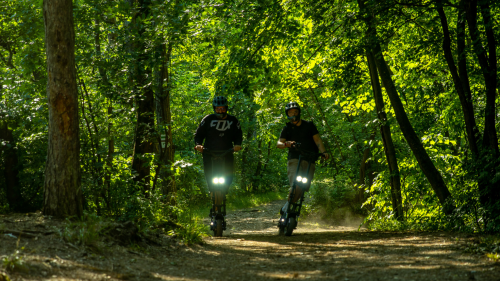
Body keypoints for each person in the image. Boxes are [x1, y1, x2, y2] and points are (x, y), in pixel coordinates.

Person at [277, 101, 329, 211]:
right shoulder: (287, 128)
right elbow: (279, 144)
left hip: (310, 158)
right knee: (296, 184)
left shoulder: (309, 125)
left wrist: (324, 152)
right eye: (290, 113)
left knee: (303, 186)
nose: (293, 114)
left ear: (299, 112)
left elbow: (317, 140)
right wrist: (287, 144)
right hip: (294, 158)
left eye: (295, 112)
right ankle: (287, 207)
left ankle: (291, 206)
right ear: (287, 114)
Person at [194, 96, 243, 194]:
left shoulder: (233, 120)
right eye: (218, 109)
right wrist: (198, 145)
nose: (220, 111)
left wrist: (237, 144)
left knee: (229, 174)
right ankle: (212, 191)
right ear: (214, 108)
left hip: (227, 151)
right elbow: (198, 134)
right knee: (208, 173)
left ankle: (224, 191)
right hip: (209, 151)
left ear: (226, 108)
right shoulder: (208, 119)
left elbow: (238, 135)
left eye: (222, 108)